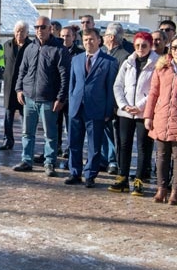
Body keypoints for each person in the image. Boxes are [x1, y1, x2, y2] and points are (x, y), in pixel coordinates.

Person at [13, 16, 69, 177]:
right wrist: (19, 89)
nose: (39, 30)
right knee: (27, 132)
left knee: (50, 134)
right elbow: (22, 70)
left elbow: (65, 77)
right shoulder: (30, 48)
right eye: (37, 27)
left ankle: (50, 162)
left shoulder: (59, 49)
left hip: (49, 99)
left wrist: (60, 98)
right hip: (29, 98)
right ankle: (26, 160)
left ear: (50, 28)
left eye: (43, 27)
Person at [65, 28, 118, 188]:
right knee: (74, 143)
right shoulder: (76, 59)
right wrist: (71, 105)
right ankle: (75, 172)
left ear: (99, 40)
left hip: (96, 109)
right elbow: (72, 85)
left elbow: (110, 89)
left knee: (94, 145)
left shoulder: (109, 62)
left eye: (92, 39)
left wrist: (108, 111)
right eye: (86, 40)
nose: (88, 42)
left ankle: (90, 175)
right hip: (76, 108)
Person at [109, 32, 157, 196]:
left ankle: (139, 180)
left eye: (144, 45)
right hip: (126, 111)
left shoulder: (156, 63)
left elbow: (154, 90)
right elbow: (118, 85)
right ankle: (122, 177)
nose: (140, 49)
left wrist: (140, 106)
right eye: (137, 45)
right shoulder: (128, 62)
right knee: (124, 144)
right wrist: (123, 105)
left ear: (150, 46)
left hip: (144, 112)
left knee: (143, 146)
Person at [144, 35, 177, 205]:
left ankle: (175, 192)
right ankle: (161, 188)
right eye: (175, 48)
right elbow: (153, 93)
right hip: (163, 117)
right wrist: (148, 116)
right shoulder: (163, 67)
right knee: (162, 155)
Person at [101, 23, 132, 175]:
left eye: (105, 35)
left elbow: (120, 83)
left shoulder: (123, 55)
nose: (103, 38)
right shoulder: (102, 51)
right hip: (100, 100)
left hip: (114, 102)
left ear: (111, 37)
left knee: (113, 133)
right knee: (102, 132)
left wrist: (115, 103)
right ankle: (102, 158)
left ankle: (113, 161)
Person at [0, 20, 29, 150]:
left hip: (24, 87)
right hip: (9, 86)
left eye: (22, 31)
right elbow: (4, 63)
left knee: (25, 117)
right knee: (8, 115)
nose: (19, 33)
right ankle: (7, 140)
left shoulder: (31, 46)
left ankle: (26, 143)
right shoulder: (7, 45)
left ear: (27, 33)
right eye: (17, 31)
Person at [56, 26, 84, 161]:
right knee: (55, 124)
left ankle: (69, 149)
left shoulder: (79, 54)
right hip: (57, 95)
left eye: (67, 36)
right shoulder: (56, 50)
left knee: (70, 126)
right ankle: (56, 147)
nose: (64, 39)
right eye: (62, 36)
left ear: (74, 37)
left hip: (72, 96)